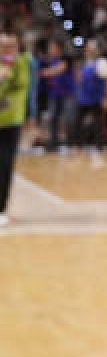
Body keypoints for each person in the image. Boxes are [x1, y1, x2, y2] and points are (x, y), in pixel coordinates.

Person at [0, 31, 32, 227]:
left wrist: (5, 75)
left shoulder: (21, 63)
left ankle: (1, 209)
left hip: (10, 122)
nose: (6, 49)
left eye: (10, 45)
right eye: (3, 45)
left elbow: (20, 84)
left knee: (4, 165)